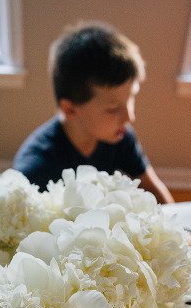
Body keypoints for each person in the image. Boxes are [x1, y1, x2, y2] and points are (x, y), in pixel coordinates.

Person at [12, 22, 174, 204]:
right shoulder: (35, 167)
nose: (129, 117)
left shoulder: (120, 135)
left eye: (131, 98)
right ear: (70, 109)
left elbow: (155, 192)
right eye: (113, 109)